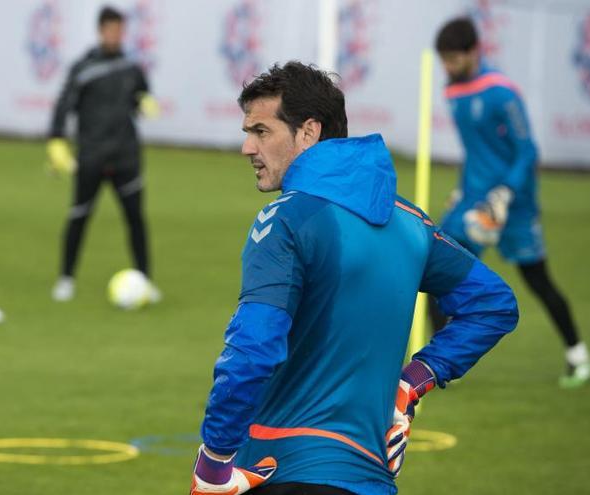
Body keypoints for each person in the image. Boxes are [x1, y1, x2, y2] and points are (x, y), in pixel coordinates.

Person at [189, 62, 519, 495]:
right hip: (371, 481)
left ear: (308, 131)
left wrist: (213, 464)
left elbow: (252, 349)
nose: (247, 147)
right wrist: (414, 380)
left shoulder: (287, 219)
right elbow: (493, 304)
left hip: (282, 470)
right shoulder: (411, 222)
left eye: (262, 131)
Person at [433, 17, 590, 388]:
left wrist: (505, 193)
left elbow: (527, 149)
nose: (449, 67)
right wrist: (462, 191)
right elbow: (475, 152)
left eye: (454, 59)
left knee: (537, 280)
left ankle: (578, 355)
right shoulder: (452, 91)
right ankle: (439, 367)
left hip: (514, 204)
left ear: (474, 51)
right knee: (436, 272)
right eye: (444, 60)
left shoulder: (502, 92)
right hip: (472, 201)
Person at [46, 6, 161, 302]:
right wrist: (56, 140)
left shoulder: (131, 67)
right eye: (111, 30)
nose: (115, 35)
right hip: (91, 157)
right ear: (101, 31)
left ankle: (145, 280)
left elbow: (141, 95)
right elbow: (63, 105)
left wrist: (144, 101)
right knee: (79, 217)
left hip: (126, 157)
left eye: (120, 30)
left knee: (135, 219)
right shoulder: (84, 68)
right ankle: (66, 279)